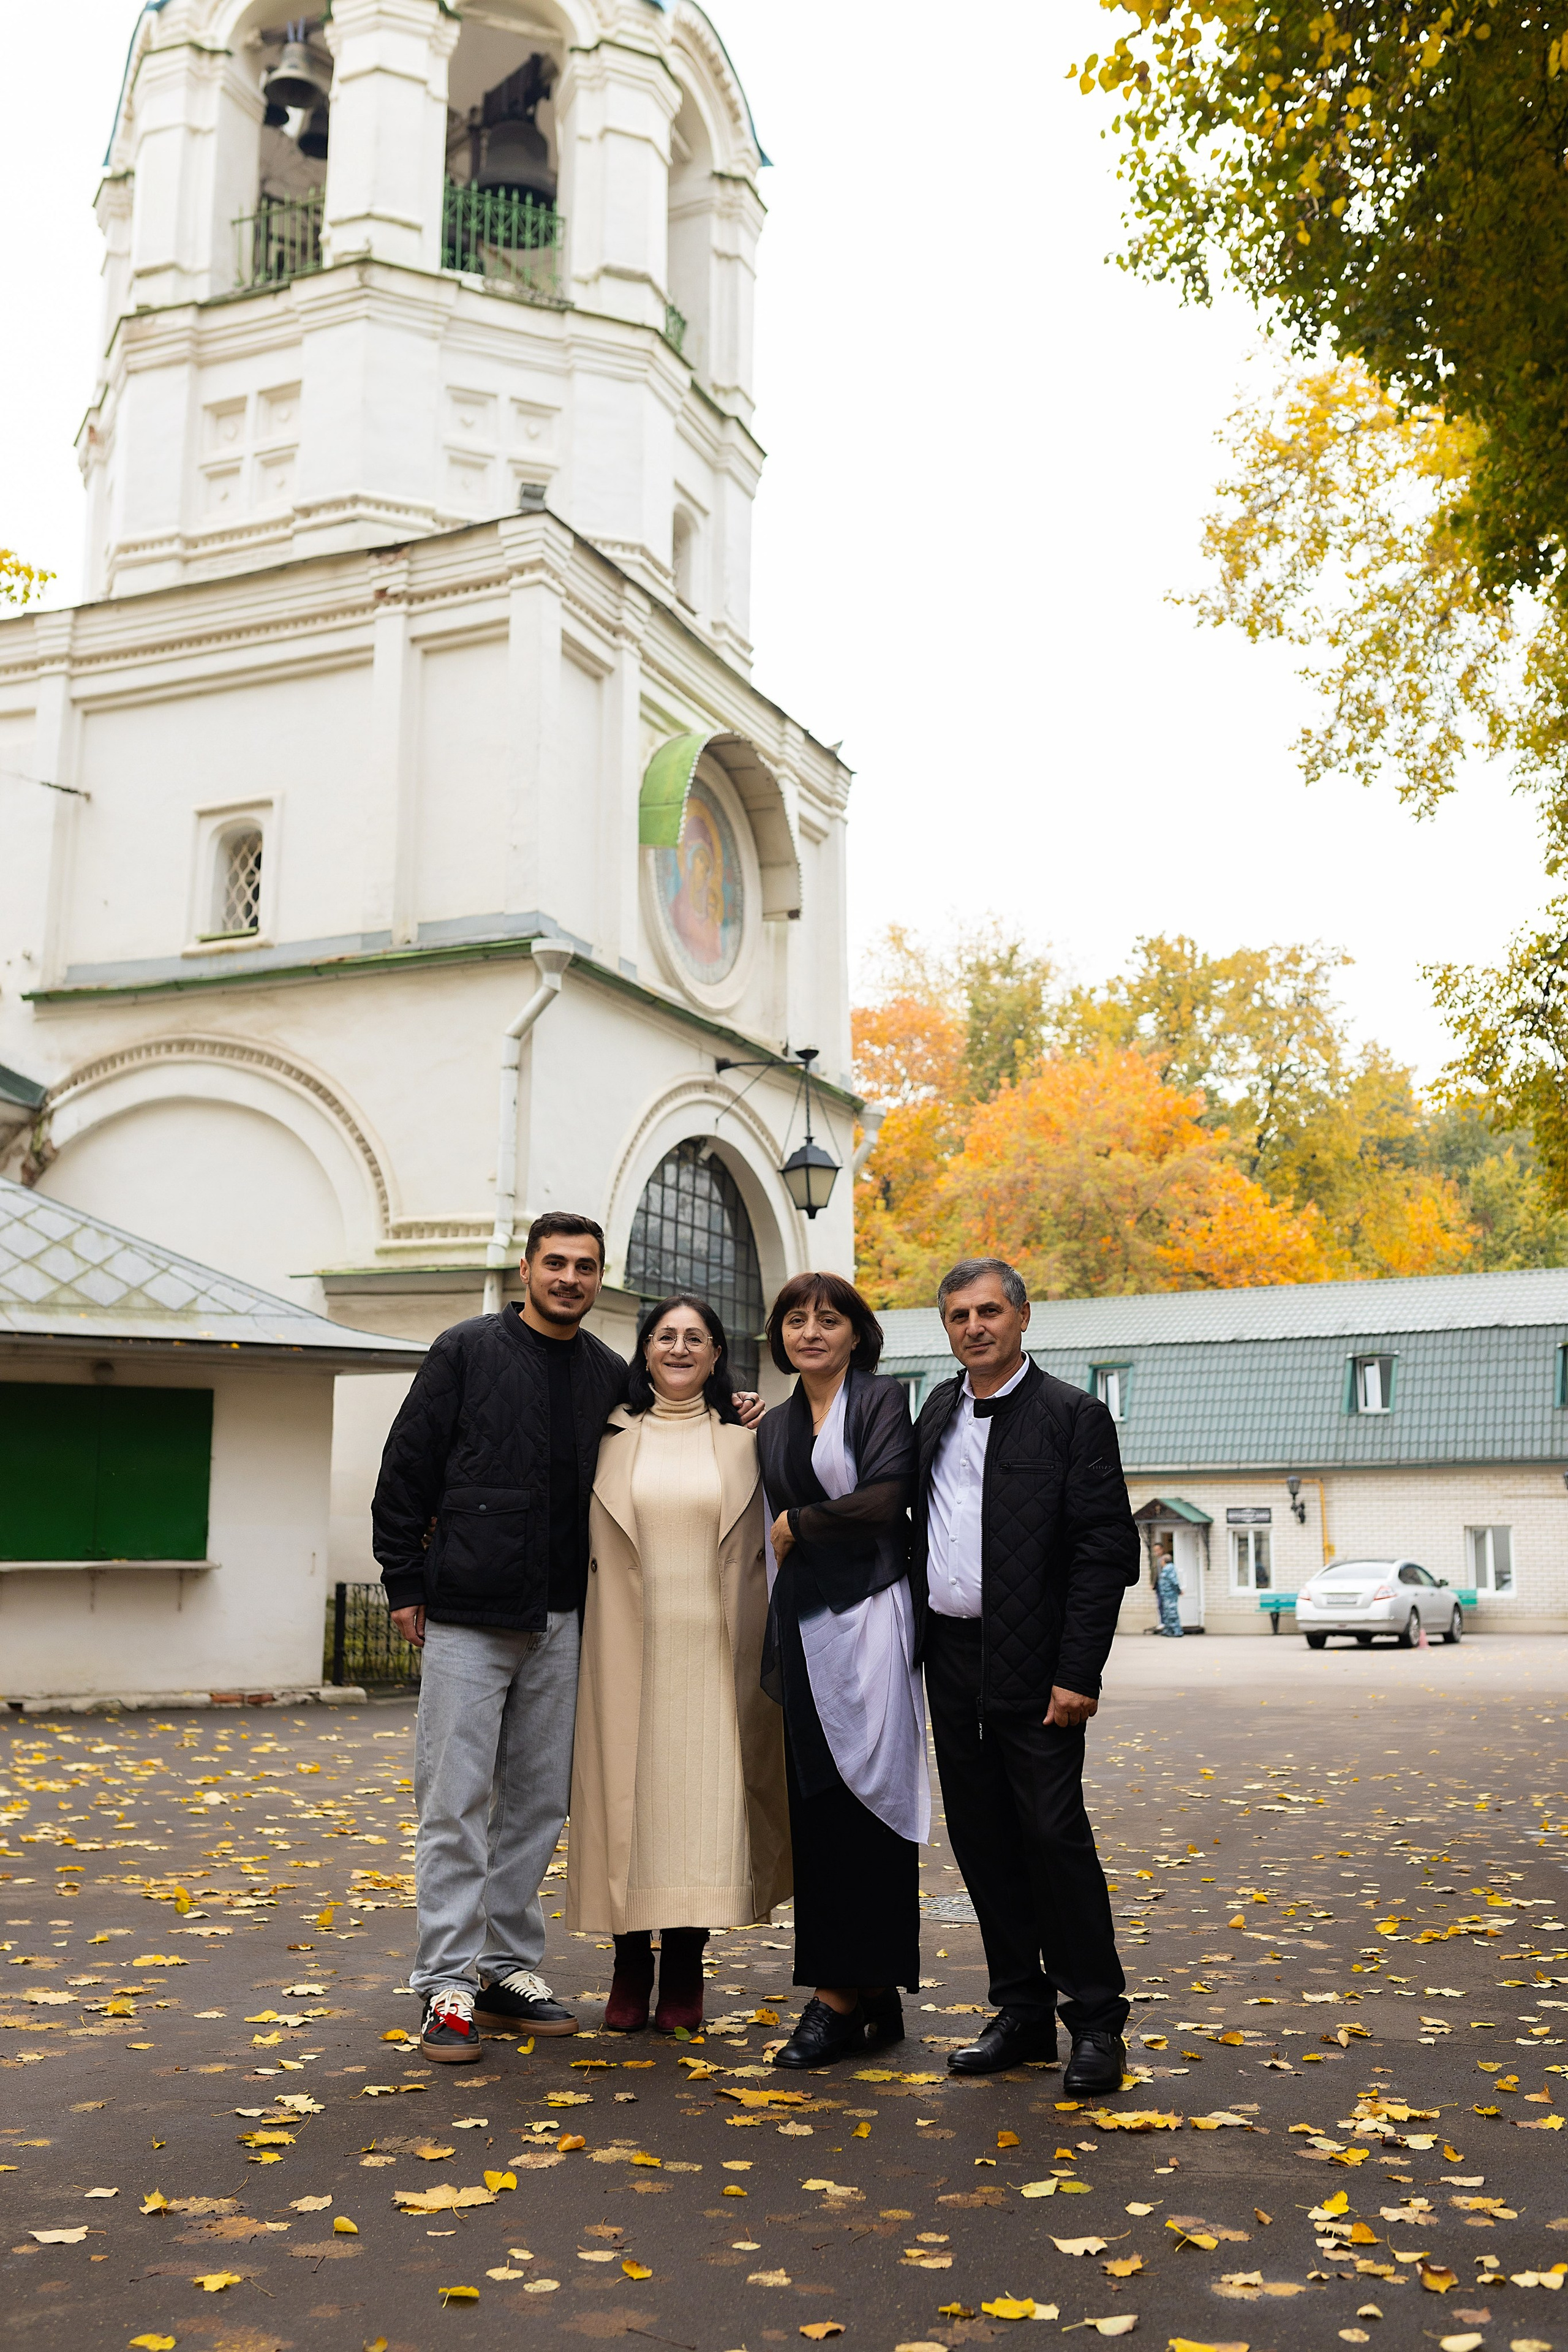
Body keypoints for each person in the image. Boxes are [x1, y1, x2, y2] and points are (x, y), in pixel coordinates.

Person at [372, 1213, 761, 2062]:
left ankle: (505, 1968)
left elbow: (668, 1429)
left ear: (598, 1278)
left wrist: (734, 1404)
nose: (569, 1279)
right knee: (454, 1801)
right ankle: (446, 1985)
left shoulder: (605, 1375)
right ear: (526, 1270)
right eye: (555, 1263)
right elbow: (405, 1469)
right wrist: (404, 1581)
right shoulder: (466, 1350)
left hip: (566, 1622)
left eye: (585, 1267)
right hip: (469, 1614)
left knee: (539, 1803)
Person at [913, 1256, 1140, 2092]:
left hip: (1038, 1666)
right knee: (980, 1839)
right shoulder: (937, 1410)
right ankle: (1020, 2012)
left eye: (988, 1312)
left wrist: (1078, 1672)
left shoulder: (1073, 1416)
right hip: (950, 1656)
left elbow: (1103, 1552)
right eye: (958, 1316)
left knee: (1051, 1836)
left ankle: (1097, 2021)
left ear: (1022, 1316)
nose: (974, 1327)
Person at [566, 1294, 790, 2033]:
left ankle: (687, 1965)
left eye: (696, 1337)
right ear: (645, 1350)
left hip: (717, 1655)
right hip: (625, 1649)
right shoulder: (607, 1433)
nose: (680, 1348)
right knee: (630, 1808)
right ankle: (630, 1964)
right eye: (666, 1336)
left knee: (700, 1811)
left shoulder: (746, 1437)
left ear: (718, 1354)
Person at [756, 1271, 927, 2068]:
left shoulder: (882, 1400)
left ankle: (836, 1998)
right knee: (819, 1803)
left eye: (829, 1319)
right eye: (796, 1320)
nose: (811, 1332)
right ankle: (867, 1988)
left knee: (873, 1800)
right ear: (780, 1337)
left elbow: (888, 1499)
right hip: (806, 1626)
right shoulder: (774, 1423)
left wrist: (800, 1520)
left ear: (857, 1333)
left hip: (873, 1620)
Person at [1155, 1542, 1185, 1637]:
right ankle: (1168, 1631)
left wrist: (1179, 1590)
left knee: (1172, 1613)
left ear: (1164, 1561)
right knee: (1167, 1613)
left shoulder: (1169, 1568)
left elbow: (1174, 1582)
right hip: (1165, 1594)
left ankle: (1177, 1631)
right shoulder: (1166, 1569)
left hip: (1170, 1594)